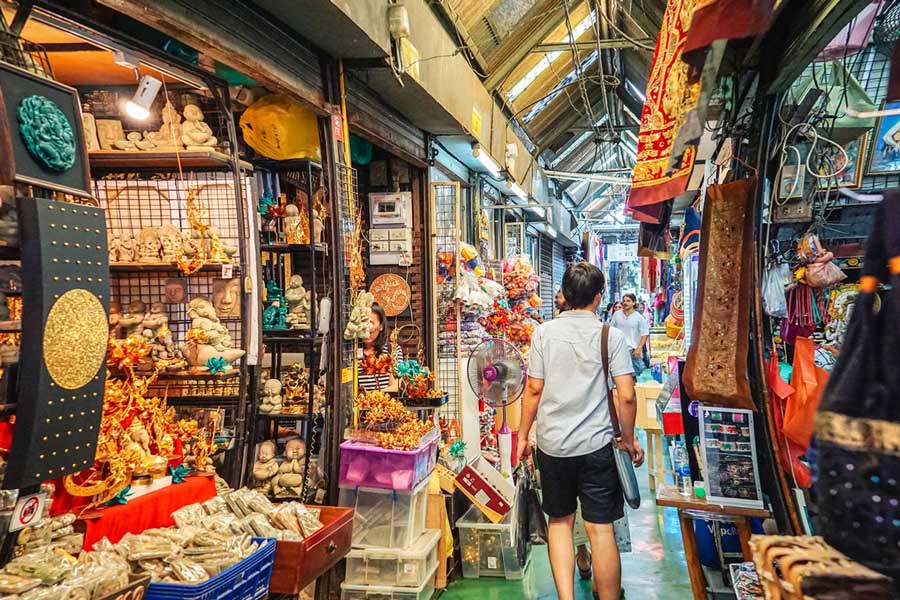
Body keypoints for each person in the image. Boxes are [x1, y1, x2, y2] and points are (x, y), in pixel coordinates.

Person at [517, 263, 644, 600]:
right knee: (600, 530)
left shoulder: (543, 333)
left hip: (553, 446)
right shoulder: (610, 337)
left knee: (560, 523)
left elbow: (533, 389)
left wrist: (521, 436)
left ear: (564, 296)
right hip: (597, 446)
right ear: (599, 298)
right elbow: (627, 395)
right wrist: (628, 439)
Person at [357, 303, 402, 392]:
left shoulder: (393, 350)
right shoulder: (352, 352)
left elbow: (396, 386)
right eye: (363, 323)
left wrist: (373, 396)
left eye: (370, 323)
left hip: (385, 403)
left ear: (381, 326)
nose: (366, 328)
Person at [610, 293, 650, 379]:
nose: (625, 303)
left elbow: (645, 334)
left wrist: (639, 348)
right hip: (619, 349)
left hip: (633, 351)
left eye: (628, 301)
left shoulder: (639, 317)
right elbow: (611, 330)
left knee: (637, 374)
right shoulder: (617, 315)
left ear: (634, 303)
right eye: (624, 301)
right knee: (621, 375)